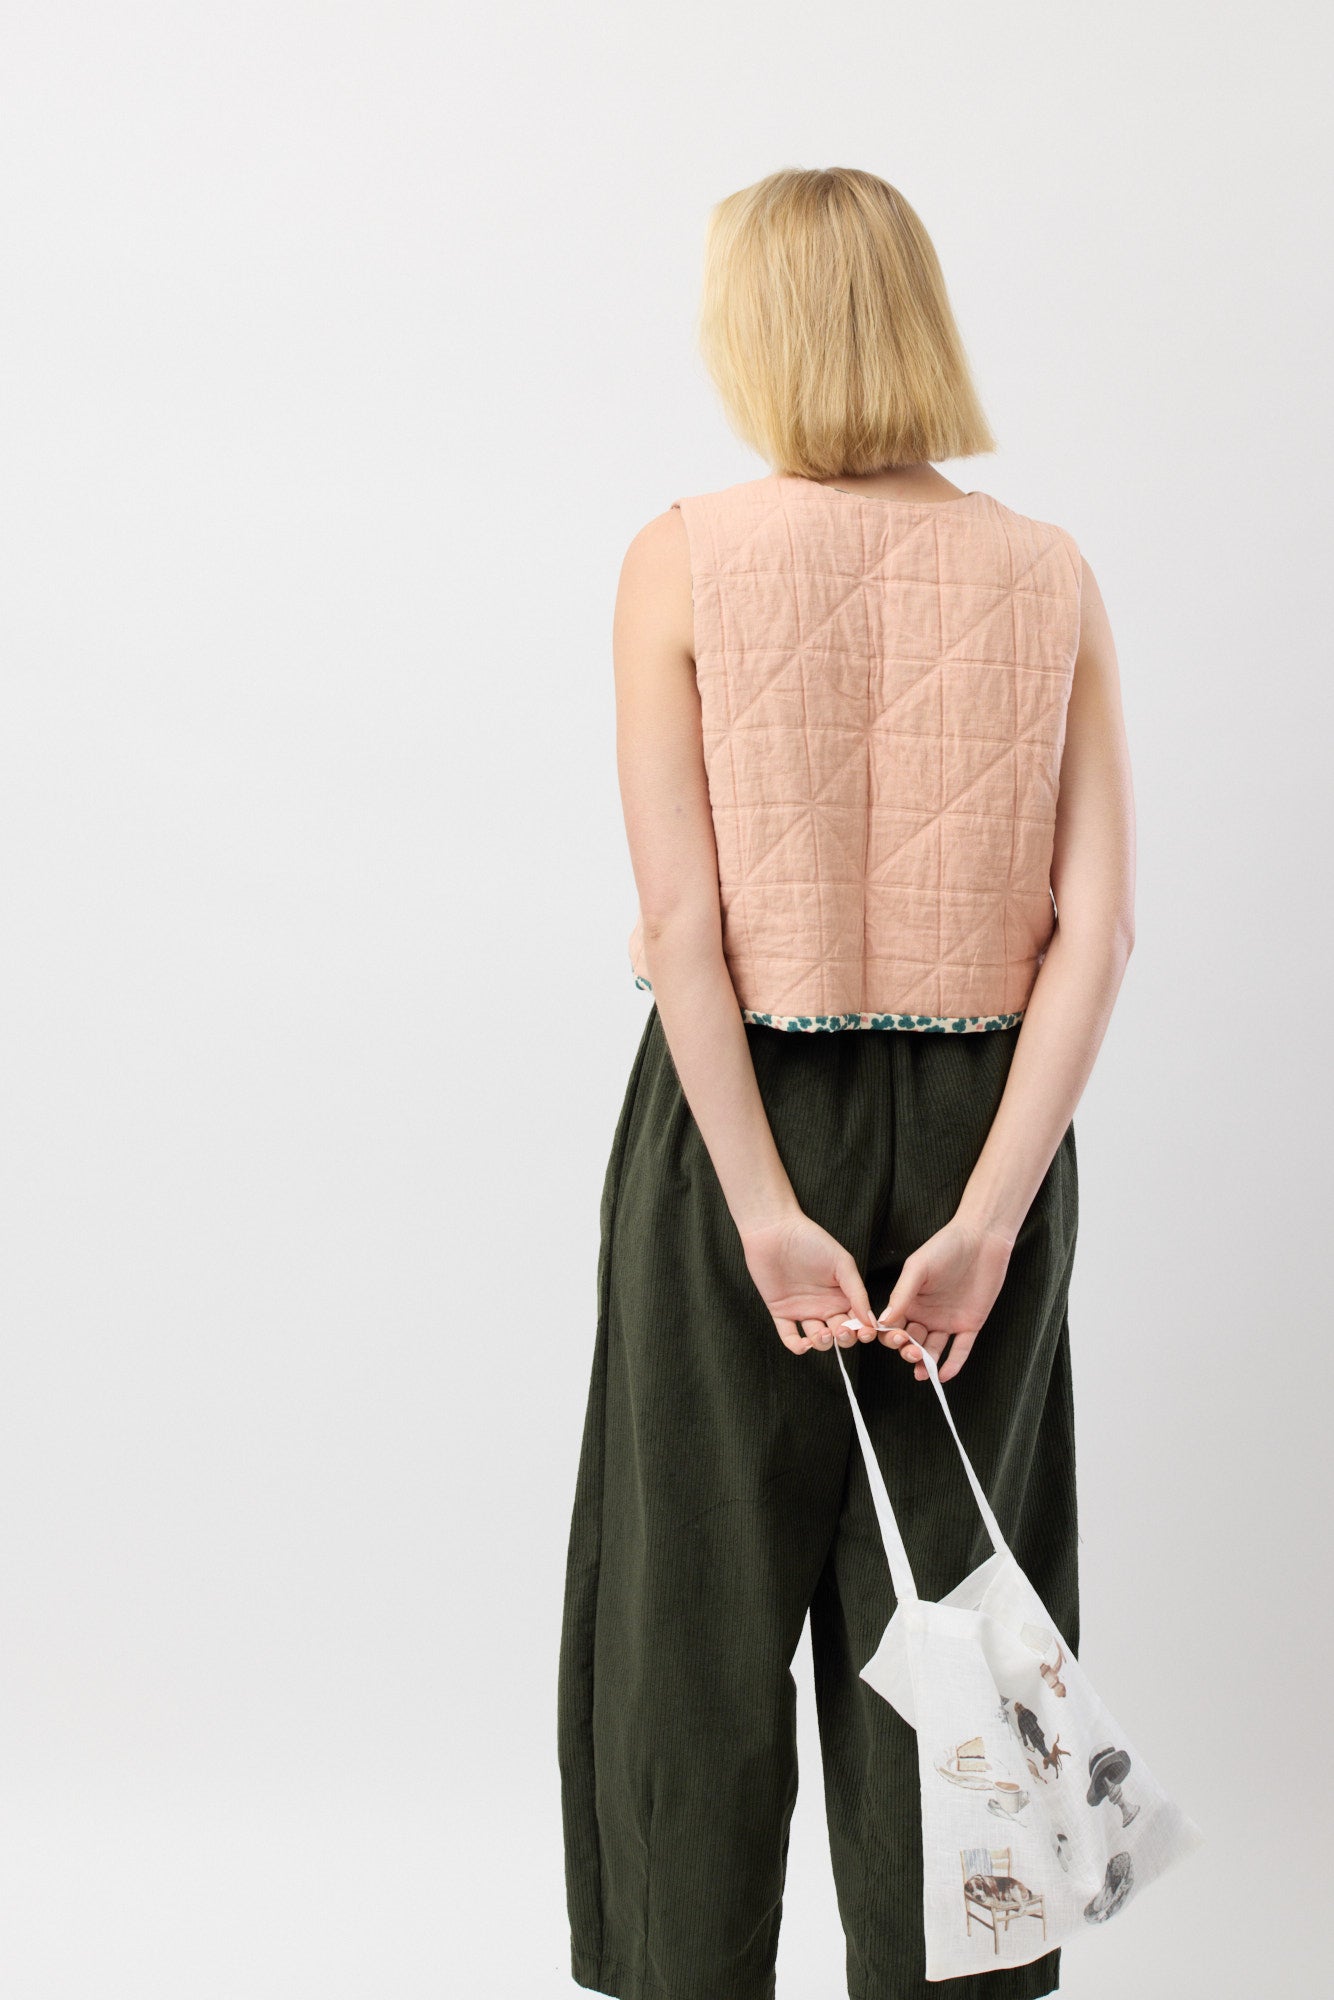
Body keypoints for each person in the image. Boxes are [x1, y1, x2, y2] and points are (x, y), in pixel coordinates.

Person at [556, 165, 1135, 2000]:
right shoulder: (1046, 569)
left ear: (756, 330)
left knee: (691, 1606)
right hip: (982, 1128)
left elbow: (683, 922)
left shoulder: (681, 554)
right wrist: (986, 1220)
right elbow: (1096, 933)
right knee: (960, 1608)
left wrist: (757, 1209)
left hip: (737, 1117)